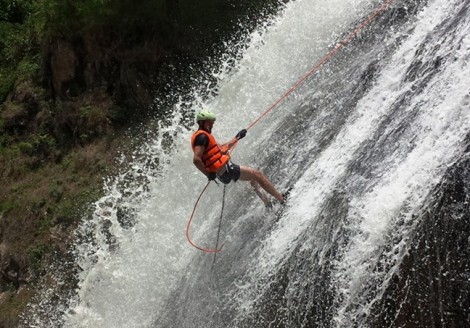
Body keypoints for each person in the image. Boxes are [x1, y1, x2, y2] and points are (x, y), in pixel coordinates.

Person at [191, 109, 285, 205]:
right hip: (225, 170)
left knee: (253, 179)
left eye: (212, 122)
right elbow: (196, 160)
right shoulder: (201, 138)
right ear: (202, 122)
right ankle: (281, 198)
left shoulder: (205, 136)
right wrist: (208, 174)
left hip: (224, 172)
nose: (212, 125)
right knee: (258, 174)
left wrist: (237, 138)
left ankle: (268, 203)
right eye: (210, 122)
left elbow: (222, 149)